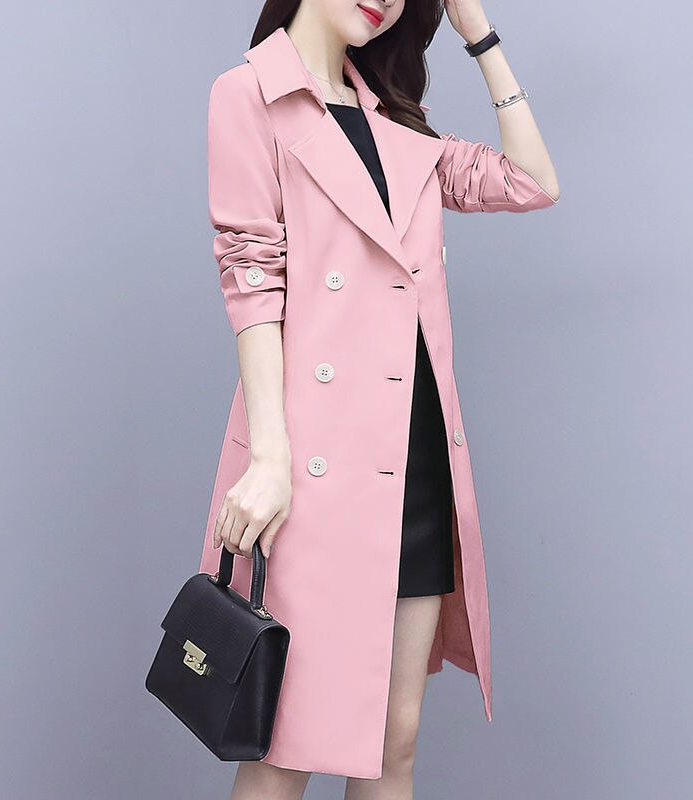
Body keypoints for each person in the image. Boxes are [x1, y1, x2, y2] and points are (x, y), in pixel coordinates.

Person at [199, 1, 559, 797]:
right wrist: (269, 459)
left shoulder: (398, 125)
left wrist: (479, 34)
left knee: (396, 742)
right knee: (284, 743)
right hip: (310, 465)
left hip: (413, 463)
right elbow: (252, 280)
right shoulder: (247, 93)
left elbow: (532, 182)